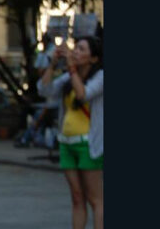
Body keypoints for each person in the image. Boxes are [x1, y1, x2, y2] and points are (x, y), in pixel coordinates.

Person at [38, 35, 104, 229]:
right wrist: (53, 64)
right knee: (77, 197)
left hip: (88, 144)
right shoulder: (68, 77)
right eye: (75, 48)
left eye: (81, 49)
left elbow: (84, 94)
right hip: (67, 142)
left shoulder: (100, 77)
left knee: (95, 199)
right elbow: (45, 89)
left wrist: (71, 68)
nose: (75, 52)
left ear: (93, 58)